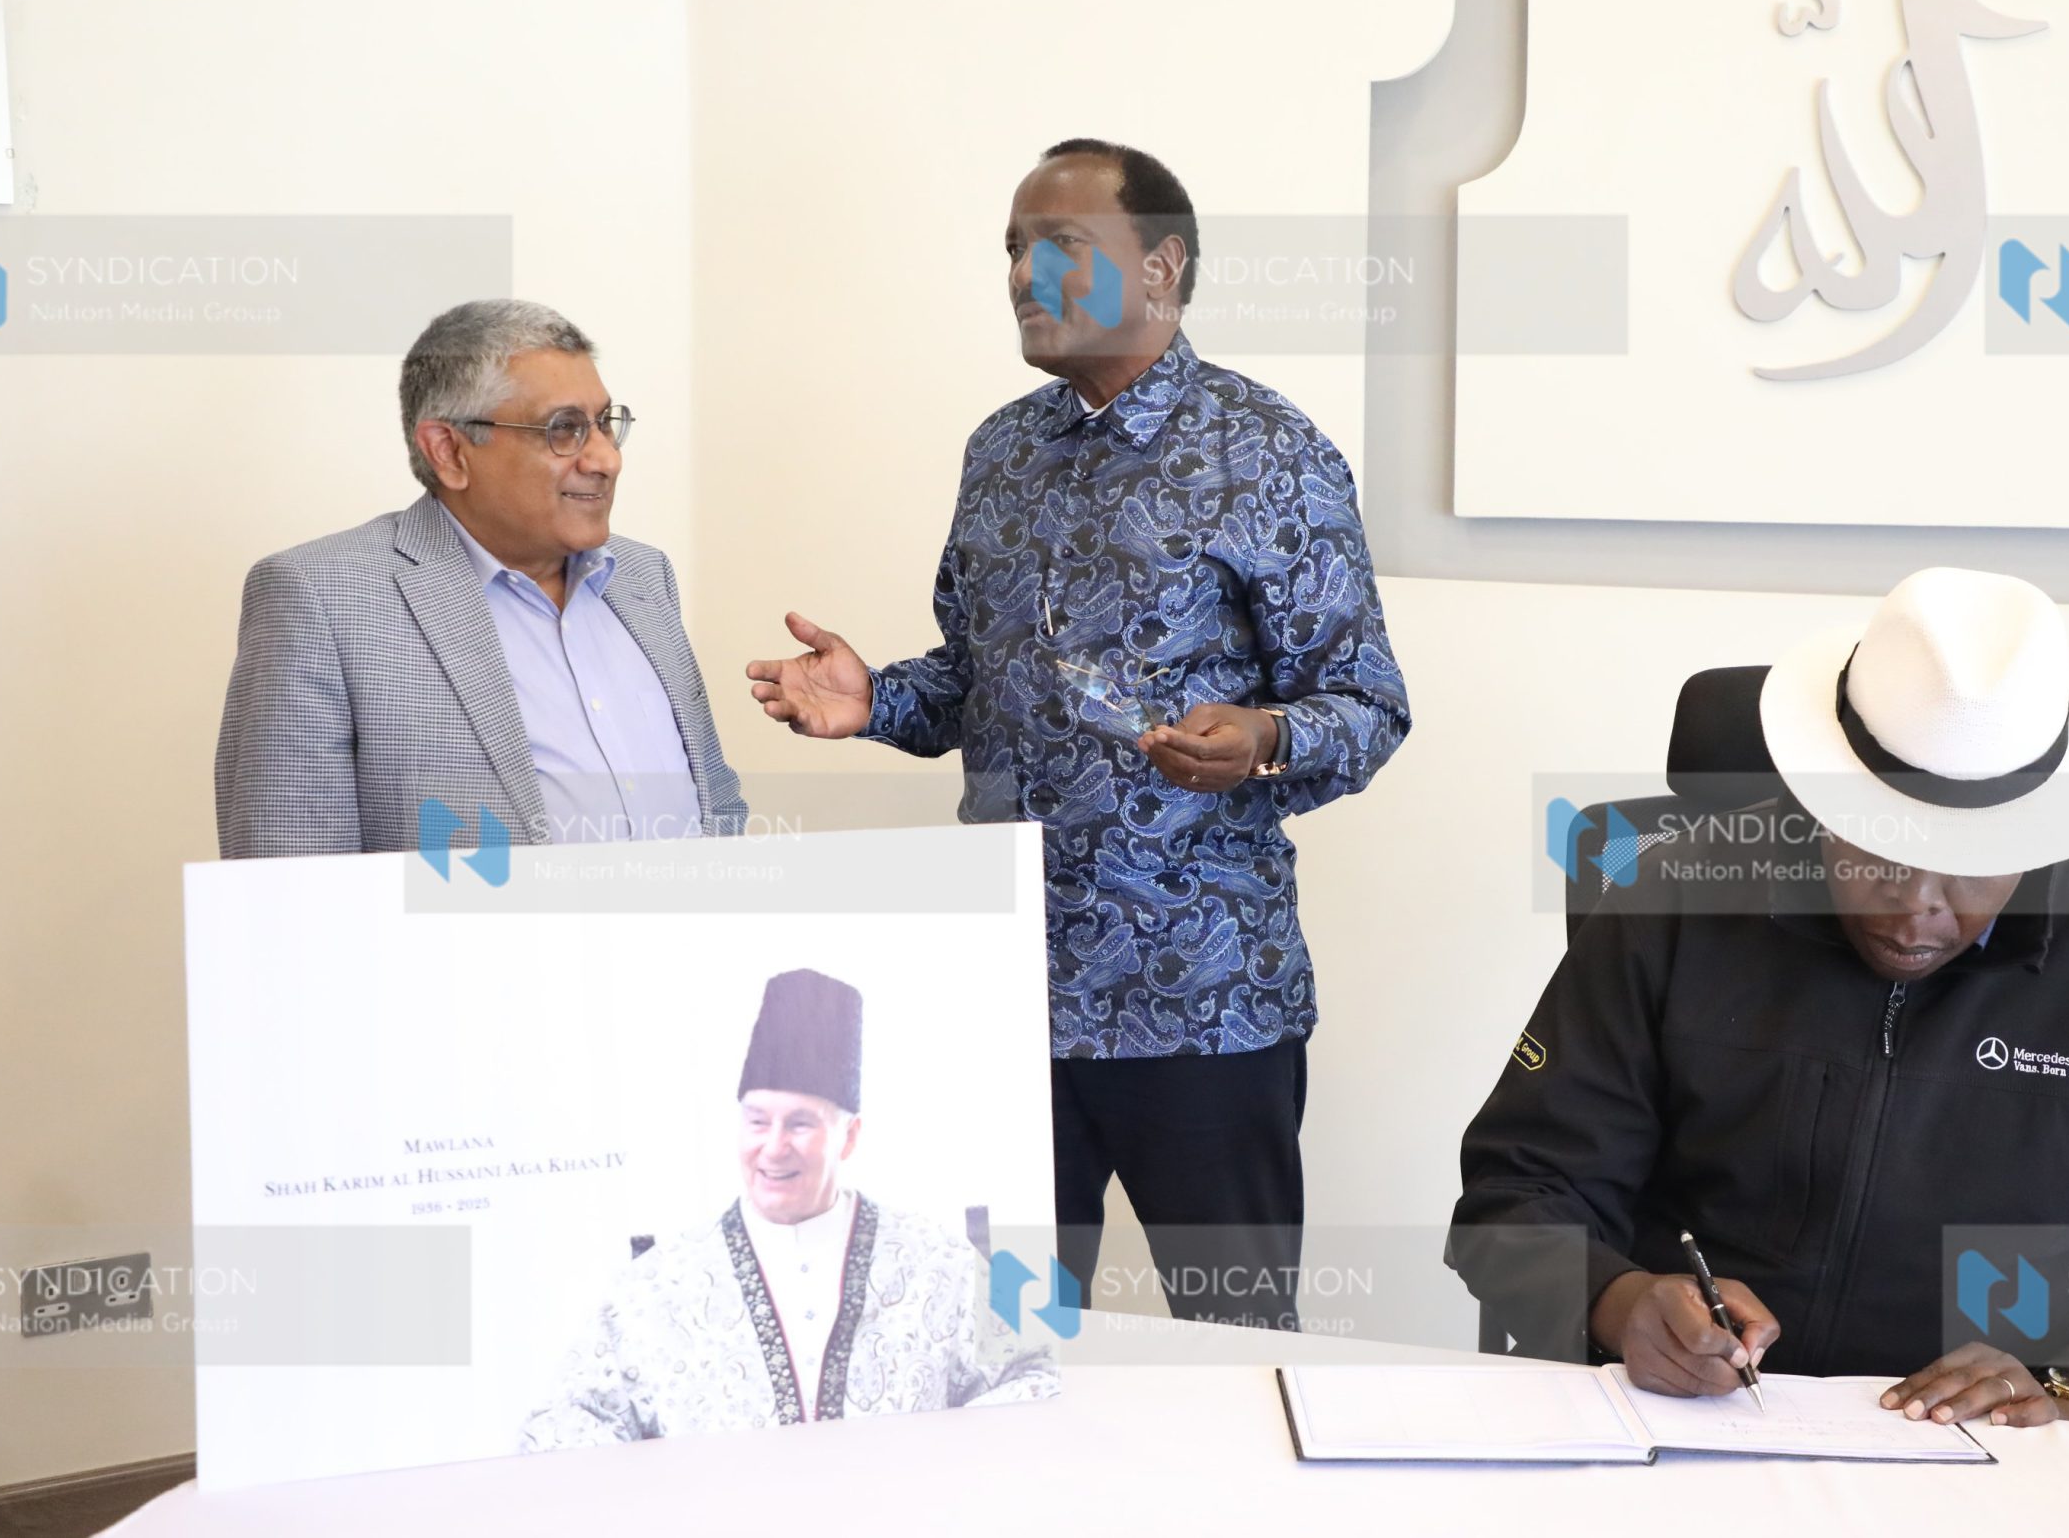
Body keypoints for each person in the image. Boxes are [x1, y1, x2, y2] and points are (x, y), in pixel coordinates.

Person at [744, 140, 1412, 1329]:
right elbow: (975, 683)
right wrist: (874, 701)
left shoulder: (1267, 453)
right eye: (1011, 247)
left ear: (1160, 266)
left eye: (1061, 247)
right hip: (1007, 994)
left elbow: (1365, 706)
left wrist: (1262, 738)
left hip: (1203, 1001)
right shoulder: (1000, 452)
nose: (1021, 274)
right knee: (1001, 1343)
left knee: (1238, 1341)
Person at [1450, 567, 2069, 1435]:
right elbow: (1514, 1193)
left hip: (1993, 1463)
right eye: (1879, 851)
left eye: (1971, 864)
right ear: (1823, 800)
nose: (1915, 905)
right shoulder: (1670, 905)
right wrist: (1619, 1298)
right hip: (1686, 1427)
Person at [215, 299, 744, 856]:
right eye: (564, 430)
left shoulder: (643, 576)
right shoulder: (319, 597)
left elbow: (715, 803)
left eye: (605, 424)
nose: (606, 459)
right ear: (449, 452)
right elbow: (282, 880)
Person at [521, 969, 1055, 1445]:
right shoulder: (658, 1288)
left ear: (849, 1137)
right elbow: (562, 1428)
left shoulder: (938, 1263)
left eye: (800, 1123)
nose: (774, 1147)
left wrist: (936, 1457)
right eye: (757, 1121)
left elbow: (1040, 1378)